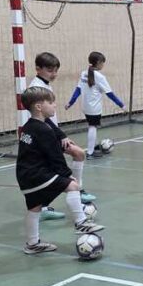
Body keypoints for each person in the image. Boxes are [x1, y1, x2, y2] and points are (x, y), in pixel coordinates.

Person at [16, 86, 104, 255]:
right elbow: (56, 158)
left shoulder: (29, 126)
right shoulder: (43, 130)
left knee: (34, 207)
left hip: (25, 176)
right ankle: (81, 223)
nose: (54, 105)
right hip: (36, 174)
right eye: (50, 102)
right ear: (39, 107)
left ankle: (32, 244)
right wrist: (69, 176)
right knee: (72, 186)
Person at [66, 51, 125, 158]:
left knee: (92, 125)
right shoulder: (100, 77)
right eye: (102, 63)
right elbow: (110, 94)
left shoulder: (84, 73)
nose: (103, 65)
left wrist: (71, 102)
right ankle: (90, 152)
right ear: (98, 63)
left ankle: (93, 146)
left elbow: (78, 90)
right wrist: (121, 105)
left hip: (85, 106)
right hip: (94, 108)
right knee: (92, 126)